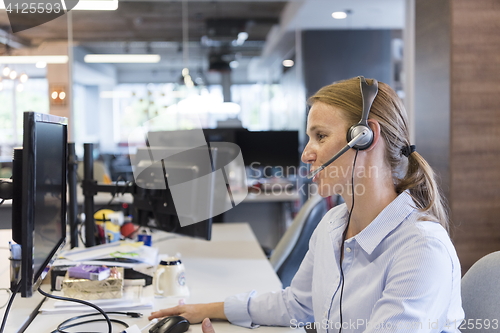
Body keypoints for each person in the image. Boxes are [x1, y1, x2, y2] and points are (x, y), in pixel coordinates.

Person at [149, 77, 464, 332]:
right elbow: (296, 305)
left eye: (321, 136)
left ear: (365, 137)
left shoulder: (420, 249)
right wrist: (207, 309)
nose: (306, 153)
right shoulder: (333, 224)